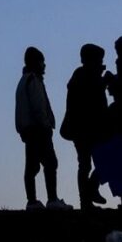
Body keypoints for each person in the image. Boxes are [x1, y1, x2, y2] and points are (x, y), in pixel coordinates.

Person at [15, 47, 73, 211]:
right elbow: (38, 106)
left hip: (29, 130)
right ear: (35, 62)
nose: (44, 65)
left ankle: (32, 201)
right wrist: (46, 124)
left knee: (32, 166)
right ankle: (52, 199)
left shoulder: (23, 81)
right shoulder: (33, 80)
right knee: (50, 163)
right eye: (42, 62)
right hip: (38, 129)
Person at [61, 44, 109, 210]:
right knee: (94, 163)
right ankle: (88, 196)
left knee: (91, 164)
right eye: (99, 59)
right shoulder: (84, 76)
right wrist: (103, 81)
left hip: (84, 129)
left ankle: (87, 196)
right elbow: (92, 98)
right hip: (87, 129)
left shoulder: (83, 75)